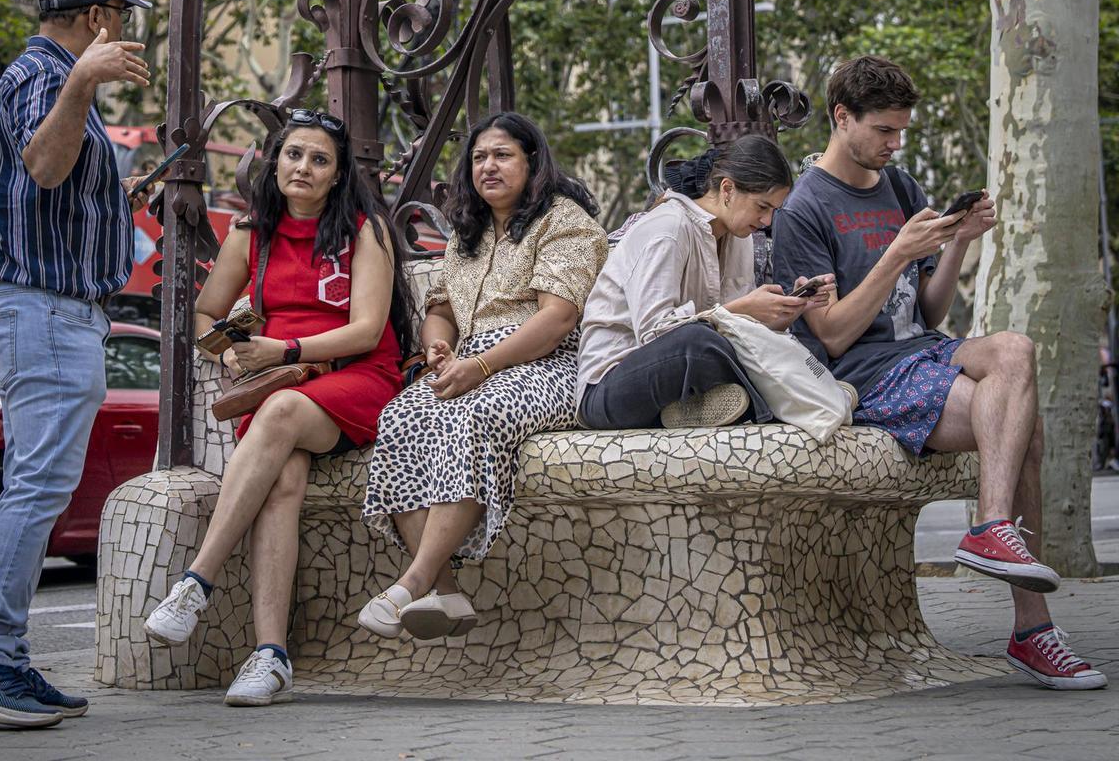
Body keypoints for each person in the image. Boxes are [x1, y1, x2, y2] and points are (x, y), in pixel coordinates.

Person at [771, 54, 1107, 693]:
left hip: (922, 352)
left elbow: (929, 311)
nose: (896, 145)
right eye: (884, 132)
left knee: (1014, 349)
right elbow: (834, 333)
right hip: (866, 375)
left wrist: (957, 243)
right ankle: (1032, 632)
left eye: (902, 132)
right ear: (842, 118)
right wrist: (896, 253)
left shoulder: (899, 188)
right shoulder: (804, 207)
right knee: (1026, 434)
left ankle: (989, 530)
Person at [0, 0, 152, 729]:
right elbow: (45, 166)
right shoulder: (42, 77)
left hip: (48, 310)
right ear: (96, 18)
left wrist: (123, 199)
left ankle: (2, 658)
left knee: (35, 482)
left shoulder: (48, 82)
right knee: (36, 486)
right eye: (120, 14)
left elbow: (50, 187)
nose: (124, 29)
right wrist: (85, 81)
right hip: (46, 311)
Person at [143, 107, 415, 706]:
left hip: (354, 378)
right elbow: (206, 314)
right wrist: (230, 356)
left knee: (282, 414)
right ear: (274, 161)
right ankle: (271, 656)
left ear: (338, 175)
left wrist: (285, 346)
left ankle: (196, 580)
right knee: (283, 481)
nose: (304, 168)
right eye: (294, 155)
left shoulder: (363, 229)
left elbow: (369, 330)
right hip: (275, 381)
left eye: (320, 160)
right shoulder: (251, 233)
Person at [358, 111, 609, 641]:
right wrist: (437, 346)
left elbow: (558, 317)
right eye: (478, 158)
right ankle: (446, 592)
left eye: (501, 155)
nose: (487, 167)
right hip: (469, 361)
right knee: (402, 418)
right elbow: (441, 306)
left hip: (548, 363)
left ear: (532, 161)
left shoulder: (565, 222)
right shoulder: (464, 234)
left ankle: (415, 579)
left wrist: (481, 366)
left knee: (477, 413)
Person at [577, 134, 834, 430]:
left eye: (773, 211)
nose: (766, 221)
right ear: (727, 189)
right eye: (762, 207)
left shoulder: (740, 238)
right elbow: (655, 334)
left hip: (689, 377)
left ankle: (695, 411)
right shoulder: (668, 228)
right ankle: (786, 407)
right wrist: (740, 311)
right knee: (698, 345)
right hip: (609, 390)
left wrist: (783, 311)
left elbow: (739, 331)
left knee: (802, 345)